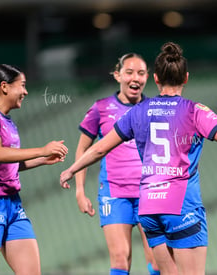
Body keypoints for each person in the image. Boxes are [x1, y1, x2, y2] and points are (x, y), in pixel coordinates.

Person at [60, 42, 217, 275]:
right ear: (186, 78)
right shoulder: (194, 111)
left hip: (149, 209)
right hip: (181, 208)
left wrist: (72, 169)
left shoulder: (138, 112)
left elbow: (99, 148)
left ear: (155, 79)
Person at [74, 53, 159, 275]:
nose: (135, 78)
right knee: (121, 258)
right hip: (114, 192)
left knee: (158, 260)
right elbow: (83, 149)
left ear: (147, 77)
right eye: (129, 72)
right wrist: (80, 190)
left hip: (149, 192)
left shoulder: (155, 108)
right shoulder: (100, 108)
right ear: (117, 75)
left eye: (141, 73)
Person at [0, 64, 68, 275]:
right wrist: (42, 150)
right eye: (22, 86)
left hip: (13, 204)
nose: (26, 92)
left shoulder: (7, 120)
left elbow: (7, 164)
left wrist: (43, 159)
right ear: (5, 87)